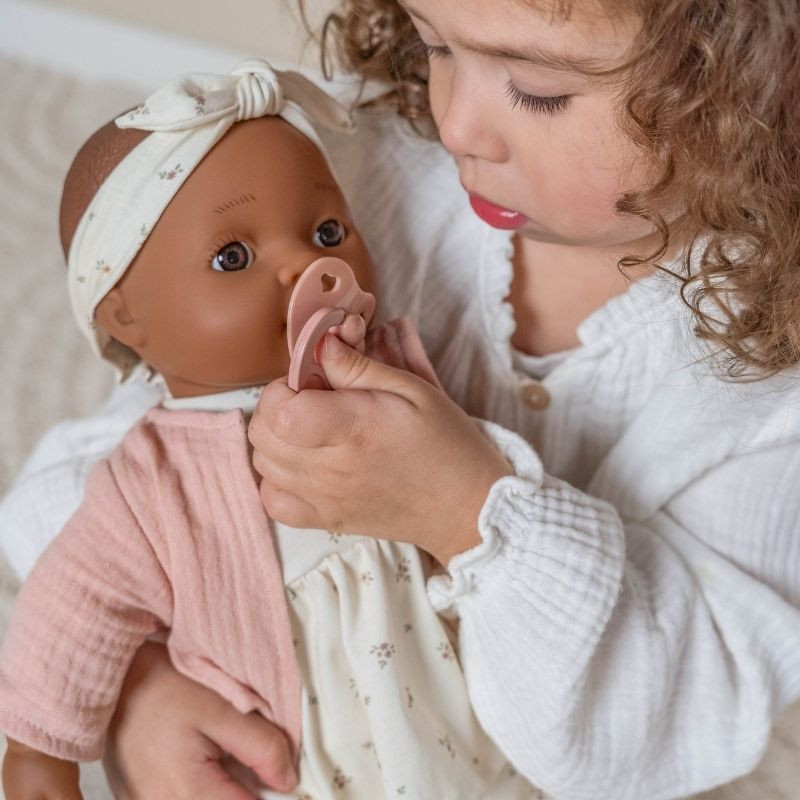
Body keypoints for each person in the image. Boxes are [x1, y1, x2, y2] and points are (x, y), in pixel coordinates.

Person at [2, 0, 799, 798]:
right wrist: (136, 690)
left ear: (744, 81)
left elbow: (661, 730)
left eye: (538, 91)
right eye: (435, 44)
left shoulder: (766, 384)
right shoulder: (363, 162)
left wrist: (463, 512)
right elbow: (73, 499)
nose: (456, 125)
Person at [0, 60, 537, 800]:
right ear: (124, 315)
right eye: (233, 257)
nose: (308, 264)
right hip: (301, 756)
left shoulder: (388, 376)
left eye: (326, 230)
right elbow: (75, 606)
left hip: (465, 718)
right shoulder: (152, 481)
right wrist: (38, 749)